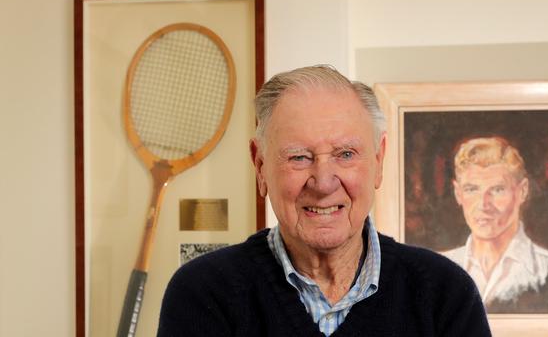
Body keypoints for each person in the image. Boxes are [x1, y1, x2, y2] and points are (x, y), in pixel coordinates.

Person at [157, 65, 491, 336]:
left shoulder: (445, 294)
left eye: (346, 154)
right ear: (260, 166)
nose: (324, 182)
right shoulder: (203, 294)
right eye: (299, 157)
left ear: (379, 160)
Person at [442, 137, 548, 308]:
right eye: (472, 189)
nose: (484, 205)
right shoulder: (435, 268)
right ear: (458, 193)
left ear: (523, 191)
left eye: (497, 189)